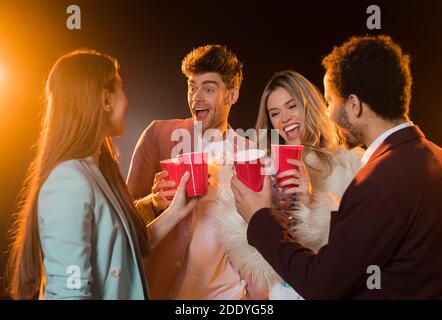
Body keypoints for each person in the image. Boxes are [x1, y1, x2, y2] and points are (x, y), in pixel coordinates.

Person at [231, 35, 442, 299]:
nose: (326, 113)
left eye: (330, 101)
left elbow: (322, 285)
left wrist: (259, 217)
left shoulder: (377, 182)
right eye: (275, 112)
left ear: (354, 106)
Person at [6, 49, 197, 300]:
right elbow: (69, 294)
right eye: (122, 89)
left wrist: (175, 212)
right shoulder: (68, 182)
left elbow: (125, 252)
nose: (127, 101)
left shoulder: (95, 173)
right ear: (106, 100)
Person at [214, 70, 363, 299]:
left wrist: (311, 203)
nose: (284, 119)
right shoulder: (263, 168)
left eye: (292, 106)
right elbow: (251, 256)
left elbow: (356, 246)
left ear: (309, 105)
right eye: (275, 113)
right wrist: (255, 210)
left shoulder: (352, 163)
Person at [127, 44, 254, 299]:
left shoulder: (248, 152)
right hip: (169, 293)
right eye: (192, 87)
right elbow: (122, 215)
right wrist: (153, 202)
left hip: (232, 296)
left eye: (208, 89)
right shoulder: (158, 135)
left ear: (232, 95)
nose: (196, 97)